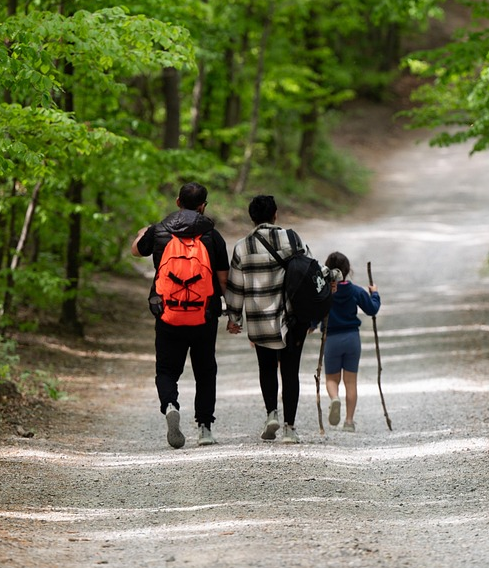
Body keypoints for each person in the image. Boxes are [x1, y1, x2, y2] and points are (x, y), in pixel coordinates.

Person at [131, 182, 229, 449]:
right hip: (204, 314)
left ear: (177, 202)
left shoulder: (160, 230)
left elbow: (136, 250)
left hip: (167, 313)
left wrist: (143, 233)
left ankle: (171, 404)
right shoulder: (212, 235)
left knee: (166, 370)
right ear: (203, 206)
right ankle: (205, 428)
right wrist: (231, 312)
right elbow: (222, 279)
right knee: (205, 370)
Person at [224, 195, 323, 444]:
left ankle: (271, 415)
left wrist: (234, 317)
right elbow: (311, 269)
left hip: (259, 321)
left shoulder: (241, 247)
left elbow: (236, 287)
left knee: (266, 367)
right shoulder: (292, 238)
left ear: (252, 217)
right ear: (275, 214)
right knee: (290, 371)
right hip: (291, 318)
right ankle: (290, 428)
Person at [321, 251, 380, 432]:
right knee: (351, 382)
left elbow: (315, 312)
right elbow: (372, 309)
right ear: (347, 270)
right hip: (352, 338)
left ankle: (334, 399)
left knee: (332, 379)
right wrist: (375, 294)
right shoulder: (355, 291)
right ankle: (348, 421)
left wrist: (311, 325)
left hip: (331, 339)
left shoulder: (324, 292)